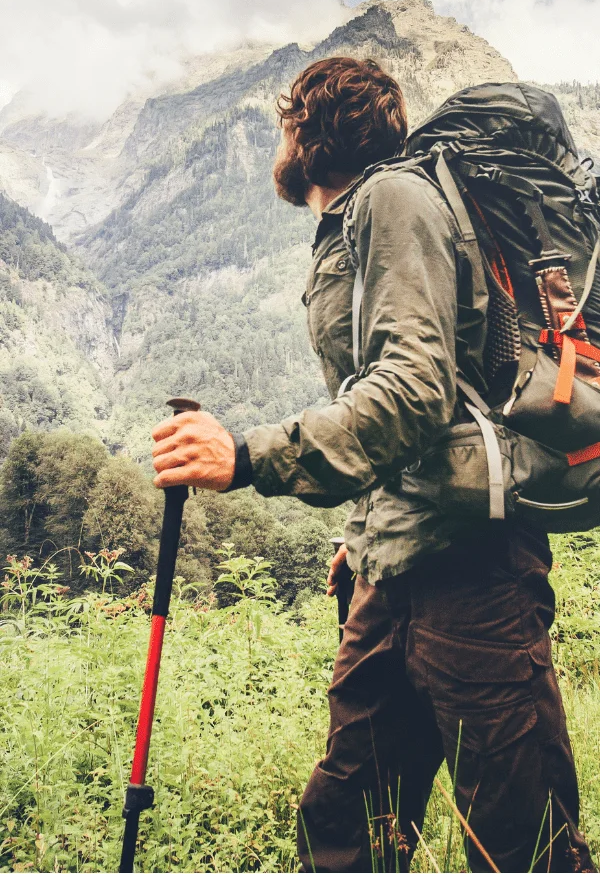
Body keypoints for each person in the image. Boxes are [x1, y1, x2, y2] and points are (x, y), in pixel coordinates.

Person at [151, 57, 595, 873]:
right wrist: (363, 530)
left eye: (285, 124)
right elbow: (413, 390)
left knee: (523, 846)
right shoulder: (359, 219)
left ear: (311, 133)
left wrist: (247, 456)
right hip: (390, 575)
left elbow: (414, 387)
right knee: (349, 823)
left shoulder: (393, 197)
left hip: (475, 582)